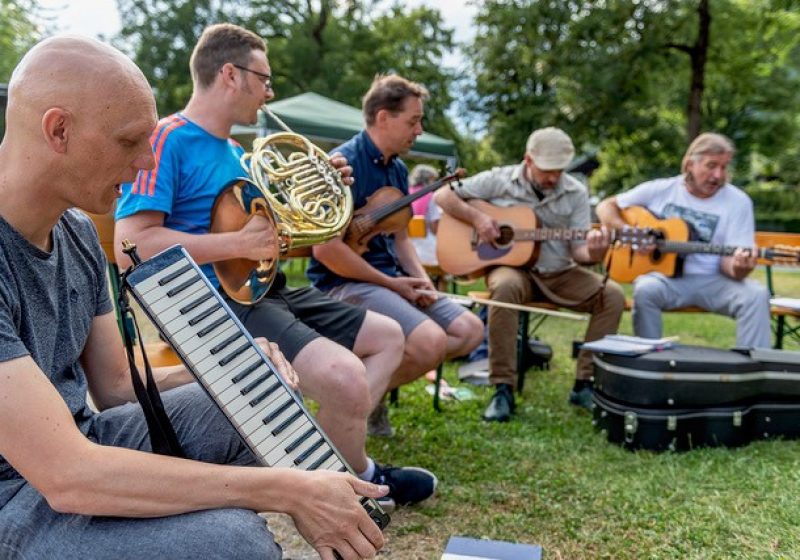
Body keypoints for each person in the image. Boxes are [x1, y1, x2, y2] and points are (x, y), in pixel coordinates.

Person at [0, 35, 388, 560]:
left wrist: (238, 364)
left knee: (257, 397)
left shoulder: (76, 233)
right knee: (236, 542)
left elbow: (115, 386)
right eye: (130, 140)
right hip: (18, 498)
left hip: (80, 445)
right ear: (58, 130)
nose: (144, 162)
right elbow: (68, 475)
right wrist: (285, 490)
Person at [114, 24, 436, 511]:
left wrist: (327, 184)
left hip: (266, 288)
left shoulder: (239, 153)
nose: (270, 92)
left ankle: (327, 467)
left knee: (390, 336)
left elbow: (278, 235)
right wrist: (235, 242)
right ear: (230, 74)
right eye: (263, 79)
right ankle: (358, 481)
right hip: (212, 301)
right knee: (347, 378)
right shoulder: (167, 139)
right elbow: (131, 245)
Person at [307, 75, 484, 435]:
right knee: (429, 341)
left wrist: (420, 279)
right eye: (413, 121)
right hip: (347, 282)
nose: (419, 130)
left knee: (469, 330)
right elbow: (326, 250)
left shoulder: (398, 169)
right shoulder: (340, 163)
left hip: (393, 281)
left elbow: (401, 237)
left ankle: (367, 387)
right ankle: (342, 421)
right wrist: (394, 284)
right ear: (384, 117)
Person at [435, 127, 625, 422]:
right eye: (547, 170)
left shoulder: (575, 191)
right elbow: (442, 196)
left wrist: (597, 252)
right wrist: (480, 219)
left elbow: (579, 252)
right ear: (528, 160)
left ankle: (585, 382)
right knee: (506, 287)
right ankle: (502, 388)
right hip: (511, 269)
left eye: (558, 171)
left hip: (559, 271)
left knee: (611, 295)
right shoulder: (499, 179)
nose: (553, 178)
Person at [596, 132, 771, 348]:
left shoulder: (738, 202)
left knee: (756, 295)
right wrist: (631, 232)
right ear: (690, 164)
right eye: (711, 165)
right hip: (667, 280)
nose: (718, 175)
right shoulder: (662, 189)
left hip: (714, 281)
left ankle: (753, 370)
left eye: (724, 167)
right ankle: (650, 362)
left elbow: (731, 267)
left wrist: (740, 266)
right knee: (645, 289)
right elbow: (605, 206)